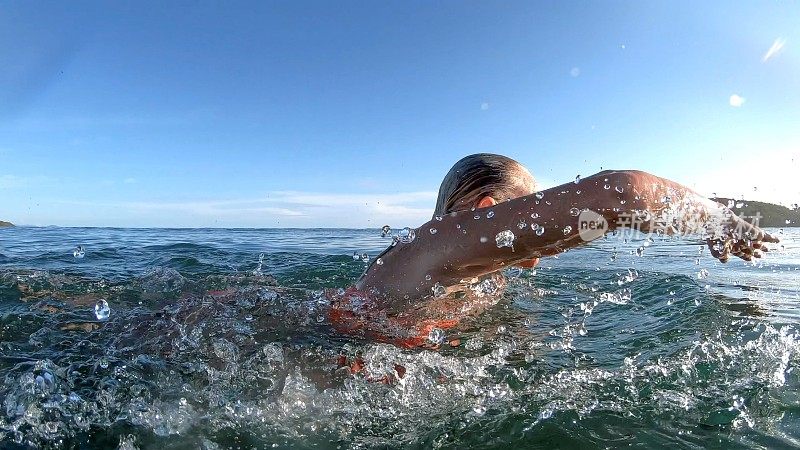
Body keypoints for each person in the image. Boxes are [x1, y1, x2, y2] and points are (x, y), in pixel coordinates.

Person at [329, 154, 779, 348]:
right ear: (491, 211)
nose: (539, 243)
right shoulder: (433, 244)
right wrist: (725, 222)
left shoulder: (462, 273)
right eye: (527, 208)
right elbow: (625, 195)